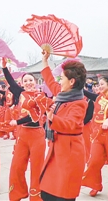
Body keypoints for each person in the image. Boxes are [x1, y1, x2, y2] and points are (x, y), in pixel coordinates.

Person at [39, 51, 88, 201]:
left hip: (69, 153)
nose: (59, 81)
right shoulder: (62, 94)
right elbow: (50, 81)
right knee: (47, 192)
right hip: (57, 150)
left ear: (71, 81)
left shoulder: (79, 103)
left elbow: (71, 124)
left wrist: (52, 117)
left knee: (62, 195)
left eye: (62, 78)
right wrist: (44, 61)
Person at [2, 58, 46, 201]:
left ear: (35, 82)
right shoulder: (21, 94)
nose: (28, 83)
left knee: (37, 168)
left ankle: (36, 197)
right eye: (25, 81)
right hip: (23, 134)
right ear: (22, 84)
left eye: (30, 80)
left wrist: (17, 121)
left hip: (37, 135)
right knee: (16, 166)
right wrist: (4, 67)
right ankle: (17, 194)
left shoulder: (41, 96)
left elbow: (34, 117)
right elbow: (11, 82)